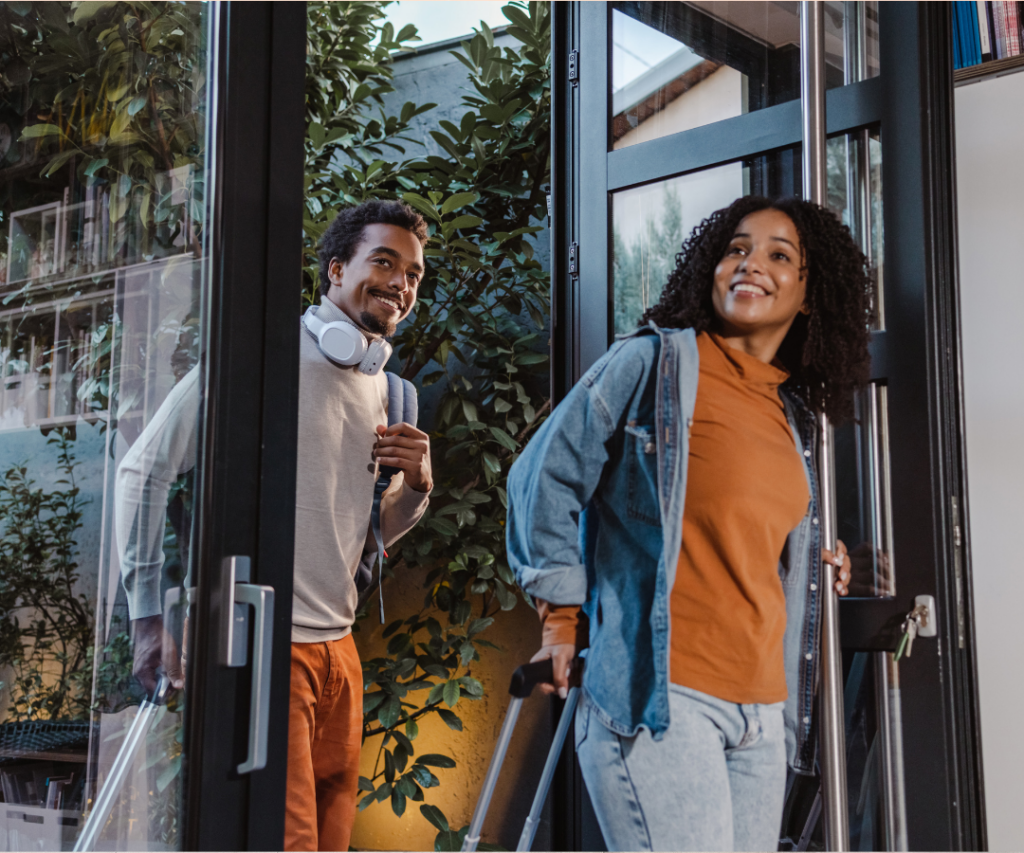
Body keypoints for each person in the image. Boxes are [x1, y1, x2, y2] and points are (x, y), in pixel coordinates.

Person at [506, 196, 871, 852]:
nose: (750, 262)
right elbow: (543, 477)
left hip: (762, 715)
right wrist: (560, 620)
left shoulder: (793, 421)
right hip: (663, 700)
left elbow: (750, 532)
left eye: (778, 255)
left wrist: (816, 556)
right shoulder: (652, 365)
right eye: (736, 247)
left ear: (810, 295)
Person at [116, 200, 434, 852]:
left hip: (340, 657)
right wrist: (146, 613)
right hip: (267, 650)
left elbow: (372, 533)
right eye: (385, 261)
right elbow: (141, 472)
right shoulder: (261, 364)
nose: (401, 283)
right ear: (336, 269)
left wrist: (420, 485)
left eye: (414, 273)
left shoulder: (391, 393)